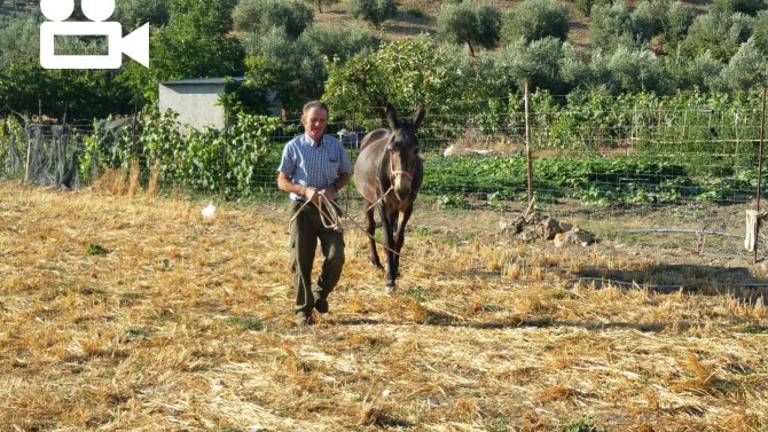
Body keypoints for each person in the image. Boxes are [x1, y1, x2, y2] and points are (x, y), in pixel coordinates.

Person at [277, 100, 352, 326]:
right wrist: (304, 190)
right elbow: (282, 181)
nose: (317, 124)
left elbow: (345, 174)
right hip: (302, 208)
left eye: (322, 120)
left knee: (336, 255)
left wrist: (333, 189)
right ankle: (303, 311)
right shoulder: (293, 147)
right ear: (303, 120)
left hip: (329, 208)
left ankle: (320, 294)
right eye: (313, 120)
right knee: (300, 260)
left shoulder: (335, 146)